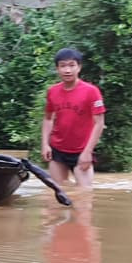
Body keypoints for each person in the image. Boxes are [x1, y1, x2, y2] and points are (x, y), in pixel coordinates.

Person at [41, 47, 106, 189]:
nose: (67, 70)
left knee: (84, 198)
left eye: (72, 65)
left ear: (79, 67)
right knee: (55, 195)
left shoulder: (91, 91)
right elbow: (48, 119)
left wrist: (88, 152)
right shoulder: (52, 91)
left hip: (81, 151)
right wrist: (45, 144)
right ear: (57, 69)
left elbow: (99, 123)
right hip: (57, 150)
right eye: (63, 66)